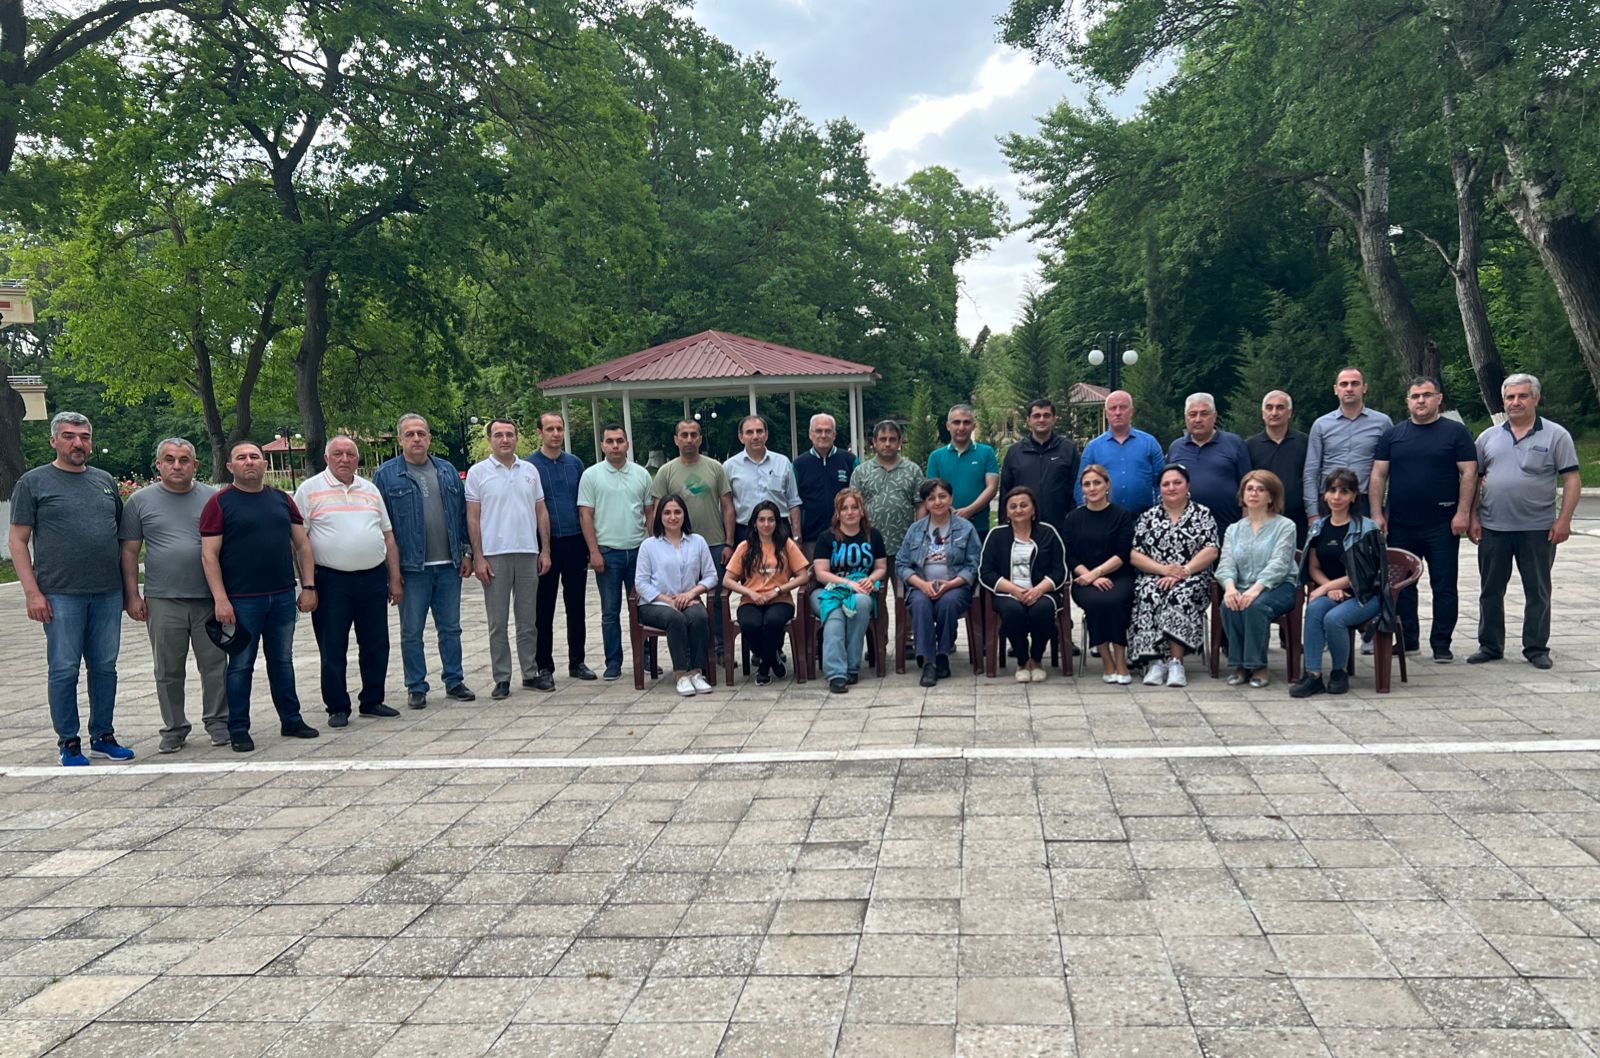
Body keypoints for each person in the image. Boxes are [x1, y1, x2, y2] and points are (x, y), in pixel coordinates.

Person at [9, 411, 134, 766]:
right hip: (60, 594)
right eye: (69, 436)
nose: (78, 443)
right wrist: (32, 592)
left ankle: (103, 736)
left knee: (105, 667)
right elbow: (17, 540)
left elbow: (121, 538)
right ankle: (69, 741)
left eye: (84, 436)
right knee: (64, 668)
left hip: (107, 592)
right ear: (53, 441)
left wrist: (129, 592)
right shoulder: (33, 483)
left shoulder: (104, 481)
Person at [199, 439, 321, 752]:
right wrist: (221, 599)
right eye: (241, 457)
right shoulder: (219, 503)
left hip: (282, 596)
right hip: (242, 601)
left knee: (282, 661)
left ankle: (291, 719)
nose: (249, 461)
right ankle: (238, 727)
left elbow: (302, 545)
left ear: (265, 464)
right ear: (230, 466)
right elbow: (209, 555)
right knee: (240, 665)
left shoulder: (282, 500)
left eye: (255, 456)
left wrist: (308, 586)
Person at [1467, 373, 1582, 670]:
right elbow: (1474, 479)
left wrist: (1564, 520)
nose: (1515, 402)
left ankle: (1536, 647)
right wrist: (1472, 516)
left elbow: (1571, 479)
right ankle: (1490, 645)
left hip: (1538, 528)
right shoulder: (1488, 437)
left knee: (1538, 590)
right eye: (1510, 397)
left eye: (1522, 396)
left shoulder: (1556, 435)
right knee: (1491, 590)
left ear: (1536, 398)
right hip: (1494, 527)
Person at [120, 438, 226, 753]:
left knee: (215, 665)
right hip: (163, 598)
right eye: (169, 459)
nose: (177, 466)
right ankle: (175, 728)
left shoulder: (214, 498)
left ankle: (219, 722)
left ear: (195, 465)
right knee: (167, 669)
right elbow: (129, 551)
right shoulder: (139, 501)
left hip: (208, 598)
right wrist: (132, 595)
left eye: (184, 460)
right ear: (159, 465)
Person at [292, 436, 403, 728]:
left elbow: (388, 536)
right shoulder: (309, 490)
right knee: (333, 645)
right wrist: (307, 585)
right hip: (331, 580)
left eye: (350, 454)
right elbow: (299, 542)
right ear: (327, 458)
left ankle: (372, 700)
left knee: (376, 643)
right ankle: (337, 706)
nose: (345, 459)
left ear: (357, 458)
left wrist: (394, 578)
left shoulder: (370, 489)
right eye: (338, 454)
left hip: (372, 577)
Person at [1367, 376, 1478, 662]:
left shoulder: (1456, 433)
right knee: (1401, 586)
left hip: (1442, 524)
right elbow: (1378, 475)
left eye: (1427, 395)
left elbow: (1469, 472)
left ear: (1438, 399)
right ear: (1408, 401)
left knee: (1444, 585)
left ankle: (1441, 644)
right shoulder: (1393, 435)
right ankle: (1408, 640)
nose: (1421, 401)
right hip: (1401, 524)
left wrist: (1463, 512)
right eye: (1415, 396)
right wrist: (1377, 513)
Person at [372, 413, 475, 710]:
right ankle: (416, 686)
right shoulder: (386, 475)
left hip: (448, 565)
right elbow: (381, 525)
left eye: (421, 433)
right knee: (412, 632)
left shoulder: (446, 471)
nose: (416, 439)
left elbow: (461, 515)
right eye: (410, 434)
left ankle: (454, 680)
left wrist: (467, 552)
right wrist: (392, 572)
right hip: (412, 568)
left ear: (429, 438)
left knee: (451, 628)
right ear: (400, 439)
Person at [467, 418, 553, 700]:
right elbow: (473, 517)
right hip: (495, 555)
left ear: (517, 438)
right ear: (490, 440)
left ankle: (530, 672)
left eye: (509, 434)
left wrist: (545, 550)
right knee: (498, 622)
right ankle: (502, 677)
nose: (504, 439)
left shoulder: (530, 471)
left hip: (527, 552)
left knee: (528, 620)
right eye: (498, 435)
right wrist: (478, 557)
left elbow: (541, 511)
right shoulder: (478, 473)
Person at [1291, 469, 1393, 697]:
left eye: (1344, 491)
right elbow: (1313, 567)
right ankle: (1313, 675)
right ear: (1325, 495)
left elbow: (1366, 574)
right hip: (1333, 592)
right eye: (1332, 490)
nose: (1337, 496)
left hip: (1365, 595)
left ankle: (1339, 672)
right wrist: (1329, 587)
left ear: (1354, 496)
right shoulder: (1318, 528)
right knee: (1314, 609)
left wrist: (1328, 588)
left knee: (1334, 619)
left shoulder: (1367, 528)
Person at [1129, 464, 1220, 689]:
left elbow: (1211, 549)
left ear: (1187, 485)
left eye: (1177, 483)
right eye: (1166, 484)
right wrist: (1164, 570)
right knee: (1149, 592)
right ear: (1159, 488)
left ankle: (1176, 663)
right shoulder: (1148, 516)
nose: (1171, 488)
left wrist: (1183, 571)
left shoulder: (1202, 513)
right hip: (1156, 574)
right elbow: (1134, 554)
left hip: (1193, 576)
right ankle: (1155, 661)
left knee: (1179, 595)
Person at [653, 419, 736, 660]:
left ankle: (720, 648)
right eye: (684, 435)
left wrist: (729, 542)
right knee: (684, 599)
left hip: (713, 543)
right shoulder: (666, 471)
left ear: (700, 439)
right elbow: (657, 510)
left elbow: (727, 506)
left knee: (718, 599)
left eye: (693, 435)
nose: (689, 439)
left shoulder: (715, 468)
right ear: (676, 439)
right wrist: (657, 544)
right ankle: (690, 651)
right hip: (677, 546)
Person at [579, 424, 655, 681]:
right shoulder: (591, 476)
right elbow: (585, 515)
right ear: (602, 445)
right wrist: (594, 552)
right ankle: (613, 662)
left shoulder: (641, 474)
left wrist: (652, 547)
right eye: (609, 441)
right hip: (607, 552)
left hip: (638, 552)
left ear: (627, 444)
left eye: (619, 441)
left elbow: (649, 512)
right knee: (610, 612)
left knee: (642, 608)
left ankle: (645, 658)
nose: (615, 445)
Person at [1216, 470, 1298, 688]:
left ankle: (1258, 665)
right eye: (1249, 489)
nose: (1254, 493)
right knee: (1228, 604)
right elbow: (1226, 562)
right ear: (1242, 494)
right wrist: (1230, 588)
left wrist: (1255, 590)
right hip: (1242, 585)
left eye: (1261, 490)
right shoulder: (1234, 529)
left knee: (1255, 606)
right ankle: (1239, 665)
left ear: (1271, 496)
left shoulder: (1285, 526)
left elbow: (1280, 564)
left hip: (1279, 586)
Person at [897, 478, 982, 688]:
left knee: (947, 603)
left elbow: (974, 564)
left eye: (942, 496)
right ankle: (929, 662)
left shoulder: (965, 528)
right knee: (920, 603)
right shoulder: (915, 529)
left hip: (955, 586)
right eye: (931, 498)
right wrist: (921, 584)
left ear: (951, 498)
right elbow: (901, 564)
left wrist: (951, 584)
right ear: (925, 503)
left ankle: (943, 653)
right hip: (921, 585)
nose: (937, 502)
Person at [529, 413, 594, 684]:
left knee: (576, 605)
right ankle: (544, 664)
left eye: (559, 428)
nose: (555, 434)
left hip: (575, 541)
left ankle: (577, 661)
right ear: (540, 433)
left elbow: (585, 504)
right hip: (545, 544)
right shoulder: (530, 466)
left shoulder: (575, 464)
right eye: (550, 429)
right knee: (543, 607)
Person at [979, 486, 1067, 683]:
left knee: (1042, 609)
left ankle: (1036, 659)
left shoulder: (1048, 533)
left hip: (1042, 591)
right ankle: (1022, 660)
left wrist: (1039, 590)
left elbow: (1059, 570)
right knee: (1013, 610)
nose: (1018, 510)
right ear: (1007, 512)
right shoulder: (996, 535)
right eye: (1013, 506)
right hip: (1007, 593)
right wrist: (1014, 590)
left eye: (1024, 505)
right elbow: (986, 573)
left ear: (1033, 509)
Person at [635, 494, 718, 697]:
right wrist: (669, 601)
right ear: (660, 517)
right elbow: (641, 583)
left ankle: (696, 672)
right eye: (667, 513)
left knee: (699, 616)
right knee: (675, 618)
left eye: (677, 512)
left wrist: (691, 594)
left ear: (684, 515)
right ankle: (681, 674)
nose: (673, 517)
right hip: (655, 604)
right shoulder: (649, 546)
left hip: (688, 600)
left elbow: (711, 576)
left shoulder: (697, 542)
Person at [722, 501, 809, 685]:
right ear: (754, 523)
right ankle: (772, 659)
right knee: (750, 624)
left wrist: (778, 590)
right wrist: (750, 593)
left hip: (780, 600)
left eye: (771, 520)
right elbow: (727, 580)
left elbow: (803, 576)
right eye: (761, 520)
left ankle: (763, 668)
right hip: (751, 600)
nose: (766, 524)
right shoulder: (745, 547)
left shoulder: (786, 545)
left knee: (773, 621)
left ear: (777, 522)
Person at [1064, 464, 1136, 684]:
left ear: (1107, 485)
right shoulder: (1073, 518)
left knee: (1115, 601)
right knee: (1096, 602)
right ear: (1082, 489)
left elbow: (1122, 554)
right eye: (1087, 484)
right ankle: (1107, 660)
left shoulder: (1122, 515)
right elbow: (1070, 556)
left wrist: (1096, 573)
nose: (1092, 488)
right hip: (1084, 579)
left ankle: (1121, 660)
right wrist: (1089, 577)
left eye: (1097, 482)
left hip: (1118, 576)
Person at [811, 488, 887, 693]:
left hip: (861, 591)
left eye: (854, 507)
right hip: (826, 591)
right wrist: (848, 584)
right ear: (838, 513)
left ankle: (852, 667)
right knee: (835, 614)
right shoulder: (826, 538)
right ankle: (836, 674)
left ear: (862, 511)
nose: (850, 512)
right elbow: (821, 573)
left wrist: (871, 579)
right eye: (844, 508)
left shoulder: (873, 536)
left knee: (860, 604)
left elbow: (881, 567)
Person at [1303, 367, 1392, 522]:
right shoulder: (1321, 425)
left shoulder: (1383, 423)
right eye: (1344, 384)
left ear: (1364, 388)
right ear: (1335, 389)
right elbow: (1311, 472)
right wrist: (1313, 513)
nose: (1349, 389)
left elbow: (1388, 471)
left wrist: (1380, 512)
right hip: (1329, 499)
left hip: (1364, 501)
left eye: (1355, 384)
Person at [850, 419, 924, 594]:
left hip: (904, 545)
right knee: (874, 596)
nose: (888, 444)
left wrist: (918, 535)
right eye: (883, 439)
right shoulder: (861, 472)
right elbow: (852, 507)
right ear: (874, 442)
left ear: (899, 442)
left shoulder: (912, 470)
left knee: (905, 595)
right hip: (870, 545)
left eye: (892, 439)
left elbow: (921, 505)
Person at [1167, 393, 1251, 534]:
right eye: (1193, 414)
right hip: (1185, 532)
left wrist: (1246, 525)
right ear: (1186, 417)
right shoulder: (1175, 448)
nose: (1198, 419)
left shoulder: (1234, 443)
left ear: (1214, 416)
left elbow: (1247, 486)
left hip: (1228, 529)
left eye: (1204, 414)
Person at [1000, 399, 1080, 540]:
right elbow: (1006, 490)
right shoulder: (1015, 452)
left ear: (1054, 419)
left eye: (1046, 415)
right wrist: (1004, 525)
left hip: (1061, 527)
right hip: (1023, 527)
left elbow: (1077, 487)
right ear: (1028, 421)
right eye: (1036, 416)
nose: (1041, 419)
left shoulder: (1068, 449)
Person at [1075, 390, 1165, 514]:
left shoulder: (1150, 443)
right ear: (1106, 413)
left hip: (1143, 518)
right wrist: (1086, 515)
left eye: (1123, 407)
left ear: (1131, 411)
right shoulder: (1093, 448)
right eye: (1113, 408)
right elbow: (1080, 486)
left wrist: (1160, 514)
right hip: (1105, 520)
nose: (1118, 412)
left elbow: (1161, 482)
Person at [926, 403, 1000, 536]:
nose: (961, 427)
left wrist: (969, 511)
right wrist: (950, 512)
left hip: (978, 527)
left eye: (966, 422)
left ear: (974, 426)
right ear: (948, 426)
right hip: (944, 527)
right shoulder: (936, 457)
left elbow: (992, 488)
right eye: (956, 422)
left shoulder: (986, 453)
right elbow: (931, 491)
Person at [724, 414, 801, 542]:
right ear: (741, 437)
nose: (755, 436)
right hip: (745, 531)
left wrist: (797, 537)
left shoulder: (783, 463)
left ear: (766, 435)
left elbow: (793, 502)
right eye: (749, 432)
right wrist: (729, 542)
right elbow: (727, 507)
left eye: (759, 431)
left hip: (779, 529)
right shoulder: (729, 467)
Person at [1247, 390, 1310, 547]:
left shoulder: (1304, 442)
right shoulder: (1249, 446)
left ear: (1289, 413)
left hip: (1298, 517)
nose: (1274, 413)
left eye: (1280, 407)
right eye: (1269, 408)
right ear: (1263, 413)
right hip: (1262, 518)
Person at [793, 413, 858, 554]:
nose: (823, 435)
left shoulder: (850, 461)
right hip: (811, 539)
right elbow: (794, 503)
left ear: (834, 435)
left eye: (828, 431)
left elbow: (859, 499)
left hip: (845, 537)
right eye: (818, 431)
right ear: (810, 434)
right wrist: (797, 537)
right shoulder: (799, 465)